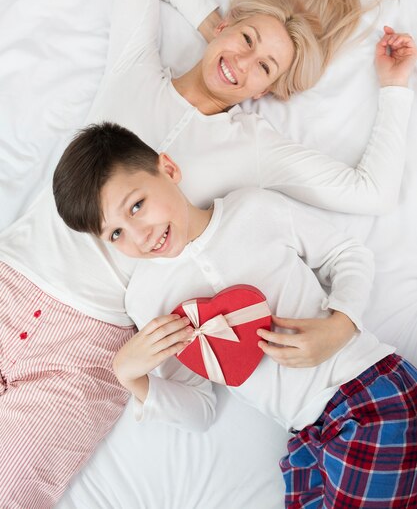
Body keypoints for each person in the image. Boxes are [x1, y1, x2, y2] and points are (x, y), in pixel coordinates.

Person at [1, 0, 416, 506]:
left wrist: (396, 90)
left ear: (268, 91)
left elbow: (371, 193)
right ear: (223, 28)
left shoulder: (255, 152)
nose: (243, 63)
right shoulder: (136, 73)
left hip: (93, 347)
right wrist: (211, 21)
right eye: (245, 39)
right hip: (11, 279)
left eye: (264, 67)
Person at [54, 121, 417, 508]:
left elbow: (347, 254)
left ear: (169, 169)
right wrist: (131, 376)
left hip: (366, 393)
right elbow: (200, 410)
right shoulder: (147, 301)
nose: (138, 235)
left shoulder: (254, 209)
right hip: (306, 439)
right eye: (115, 235)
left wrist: (340, 327)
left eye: (137, 206)